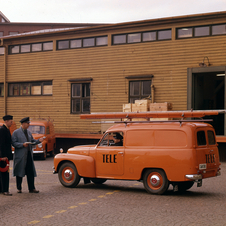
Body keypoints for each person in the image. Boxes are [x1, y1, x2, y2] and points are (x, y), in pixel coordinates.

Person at [12, 117, 43, 193]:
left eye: (29, 123)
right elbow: (14, 143)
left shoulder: (28, 132)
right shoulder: (16, 132)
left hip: (28, 155)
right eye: (27, 123)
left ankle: (31, 188)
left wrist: (38, 141)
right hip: (20, 156)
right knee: (19, 171)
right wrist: (22, 144)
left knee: (30, 172)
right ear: (23, 124)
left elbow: (32, 141)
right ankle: (19, 188)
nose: (29, 124)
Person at [0, 115, 14, 196]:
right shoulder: (2, 130)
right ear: (6, 121)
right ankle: (5, 190)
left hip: (5, 155)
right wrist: (3, 156)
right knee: (4, 172)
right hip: (3, 156)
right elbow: (2, 144)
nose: (12, 123)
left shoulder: (6, 129)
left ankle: (2, 189)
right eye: (10, 121)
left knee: (3, 172)